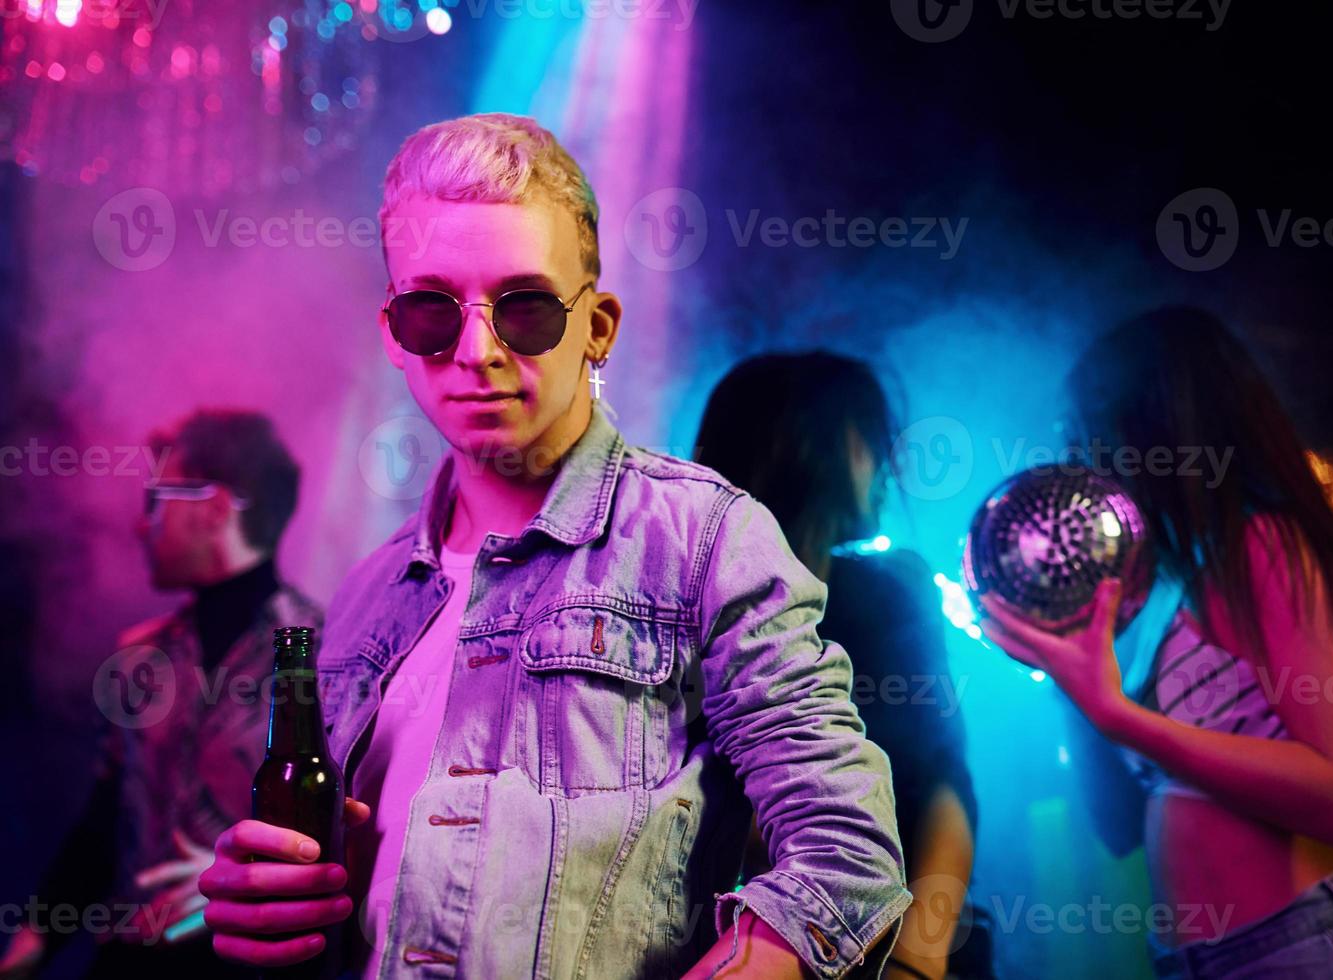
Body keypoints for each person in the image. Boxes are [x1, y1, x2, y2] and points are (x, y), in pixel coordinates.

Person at [198, 114, 910, 979]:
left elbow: (846, 855)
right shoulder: (365, 597)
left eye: (524, 307)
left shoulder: (706, 541)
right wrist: (259, 908)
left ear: (597, 326)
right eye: (432, 311)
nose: (475, 351)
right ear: (393, 330)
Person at [979, 307, 1333, 978]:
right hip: (1191, 961)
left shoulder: (1263, 546)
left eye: (1088, 432)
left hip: (1299, 949)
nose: (1078, 461)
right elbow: (1118, 827)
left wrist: (1121, 716)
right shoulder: (1158, 598)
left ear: (1155, 426)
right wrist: (1065, 678)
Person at [0, 410, 321, 978]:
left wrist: (242, 881)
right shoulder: (140, 655)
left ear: (216, 508)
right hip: (129, 958)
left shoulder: (326, 651)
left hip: (245, 962)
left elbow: (333, 821)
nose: (140, 526)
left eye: (157, 500)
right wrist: (37, 936)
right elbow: (108, 818)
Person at [696, 352, 983, 980]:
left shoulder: (892, 589)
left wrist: (917, 959)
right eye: (870, 440)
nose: (886, 468)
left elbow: (944, 782)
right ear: (805, 446)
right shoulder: (688, 600)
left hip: (896, 945)